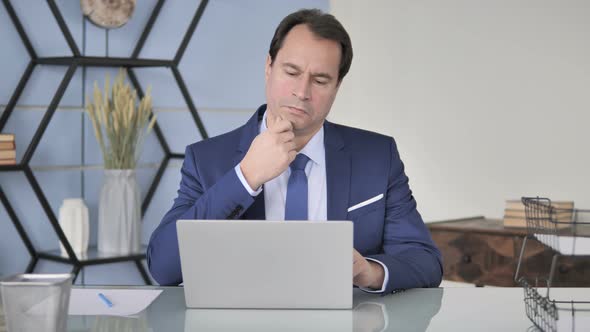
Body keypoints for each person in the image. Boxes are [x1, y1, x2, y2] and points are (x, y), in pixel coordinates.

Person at [147, 8, 442, 294]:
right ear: (268, 67)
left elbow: (424, 260)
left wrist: (368, 271)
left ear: (337, 86)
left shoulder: (378, 156)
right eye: (292, 72)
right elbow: (164, 267)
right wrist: (246, 176)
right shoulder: (207, 159)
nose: (302, 91)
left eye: (320, 80)